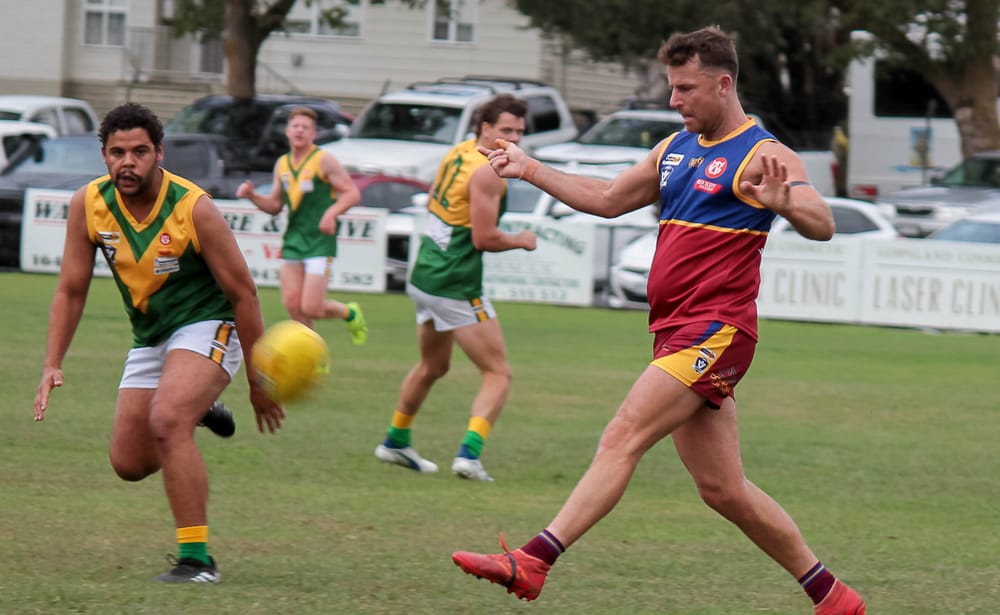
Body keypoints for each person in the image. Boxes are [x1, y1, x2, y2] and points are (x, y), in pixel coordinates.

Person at [451, 27, 867, 614]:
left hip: (718, 330)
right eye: (673, 88)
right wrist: (529, 167)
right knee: (724, 490)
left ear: (724, 85)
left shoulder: (762, 153)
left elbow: (822, 220)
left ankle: (533, 561)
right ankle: (834, 598)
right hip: (675, 332)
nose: (675, 100)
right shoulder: (675, 148)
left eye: (686, 88)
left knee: (623, 433)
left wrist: (788, 204)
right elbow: (607, 197)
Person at [33, 102, 286, 583]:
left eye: (140, 152)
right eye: (117, 153)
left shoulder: (194, 208)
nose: (128, 162)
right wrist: (51, 362)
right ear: (104, 156)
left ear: (159, 153)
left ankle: (197, 561)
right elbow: (70, 289)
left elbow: (244, 294)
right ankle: (198, 405)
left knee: (168, 420)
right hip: (151, 336)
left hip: (211, 324)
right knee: (129, 463)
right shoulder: (87, 204)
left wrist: (258, 381)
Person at [373, 94, 537, 482]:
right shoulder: (486, 171)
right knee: (498, 372)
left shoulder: (457, 153)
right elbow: (484, 238)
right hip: (455, 281)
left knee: (434, 365)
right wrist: (522, 239)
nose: (513, 139)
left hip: (425, 274)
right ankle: (469, 455)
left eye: (519, 132)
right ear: (485, 128)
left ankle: (395, 441)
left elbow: (434, 202)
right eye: (505, 130)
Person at [236, 106, 367, 344]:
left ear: (313, 134)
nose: (300, 131)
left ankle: (350, 312)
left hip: (319, 241)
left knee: (312, 307)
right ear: (287, 132)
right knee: (294, 307)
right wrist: (252, 196)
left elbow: (351, 193)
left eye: (305, 128)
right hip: (293, 241)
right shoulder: (282, 164)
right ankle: (315, 357)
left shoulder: (323, 160)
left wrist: (331, 213)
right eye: (295, 126)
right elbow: (275, 205)